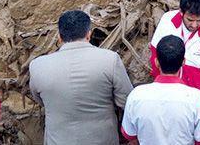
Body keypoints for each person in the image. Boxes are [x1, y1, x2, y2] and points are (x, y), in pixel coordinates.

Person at [29, 10, 133, 145]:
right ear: (89, 34)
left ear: (59, 37)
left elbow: (39, 98)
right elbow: (126, 101)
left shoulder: (37, 66)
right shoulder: (110, 60)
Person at [122, 35, 200, 145]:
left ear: (157, 62)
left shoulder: (136, 96)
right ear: (183, 62)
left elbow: (130, 135)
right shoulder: (195, 98)